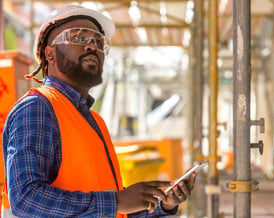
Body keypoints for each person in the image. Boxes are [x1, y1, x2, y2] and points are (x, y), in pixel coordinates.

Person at [2, 4, 196, 217]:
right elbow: (25, 198)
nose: (92, 46)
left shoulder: (93, 120)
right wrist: (116, 201)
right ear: (50, 54)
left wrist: (161, 204)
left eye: (98, 42)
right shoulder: (37, 108)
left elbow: (110, 210)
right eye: (79, 38)